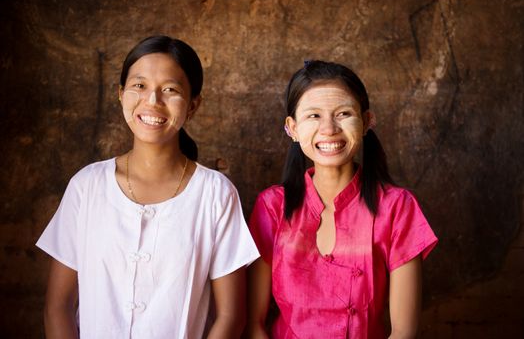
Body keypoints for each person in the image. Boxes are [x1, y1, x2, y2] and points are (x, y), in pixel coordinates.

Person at [36, 35, 260, 339]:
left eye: (170, 90)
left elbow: (231, 317)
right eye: (139, 86)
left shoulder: (215, 194)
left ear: (193, 104)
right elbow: (58, 307)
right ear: (120, 94)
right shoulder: (86, 187)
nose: (152, 101)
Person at [246, 60, 438, 339]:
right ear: (292, 128)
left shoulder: (397, 207)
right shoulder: (272, 206)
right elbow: (254, 325)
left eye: (343, 113)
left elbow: (403, 332)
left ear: (366, 121)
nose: (329, 129)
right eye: (313, 116)